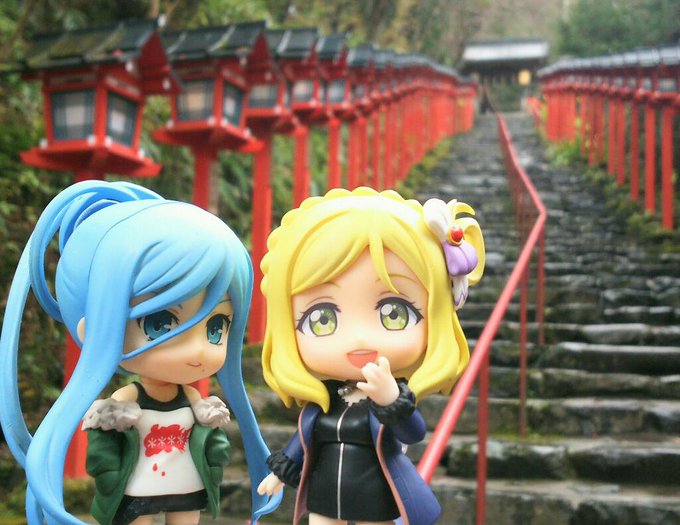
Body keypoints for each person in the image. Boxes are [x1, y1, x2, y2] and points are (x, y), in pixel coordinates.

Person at [0, 180, 282, 525]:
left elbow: (211, 439)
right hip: (137, 487)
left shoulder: (195, 401)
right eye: (159, 323)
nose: (198, 348)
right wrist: (108, 472)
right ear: (95, 330)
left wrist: (213, 453)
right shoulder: (124, 402)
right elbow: (104, 448)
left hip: (186, 483)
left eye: (216, 327)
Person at [256, 187, 485, 525]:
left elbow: (412, 433)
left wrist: (391, 399)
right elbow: (300, 444)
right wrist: (280, 474)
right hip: (325, 492)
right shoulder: (326, 400)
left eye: (395, 313)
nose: (359, 337)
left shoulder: (390, 394)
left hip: (374, 493)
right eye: (322, 318)